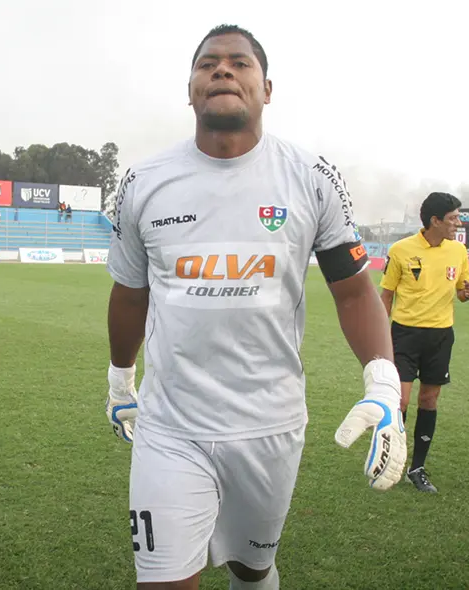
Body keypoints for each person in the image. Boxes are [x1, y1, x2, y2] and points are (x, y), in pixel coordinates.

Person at [103, 24, 406, 590]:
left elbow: (354, 289)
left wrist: (384, 384)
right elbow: (129, 291)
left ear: (267, 89)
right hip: (171, 428)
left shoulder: (312, 177)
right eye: (207, 63)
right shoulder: (143, 182)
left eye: (239, 63)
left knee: (251, 569)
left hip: (271, 426)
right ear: (189, 88)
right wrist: (121, 383)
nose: (222, 70)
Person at [379, 192, 469, 493]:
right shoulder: (401, 250)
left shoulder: (458, 251)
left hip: (440, 336)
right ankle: (390, 460)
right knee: (401, 401)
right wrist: (382, 335)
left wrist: (467, 293)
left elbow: (461, 291)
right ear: (435, 221)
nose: (458, 224)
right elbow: (386, 294)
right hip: (405, 334)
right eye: (453, 219)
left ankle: (417, 467)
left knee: (429, 400)